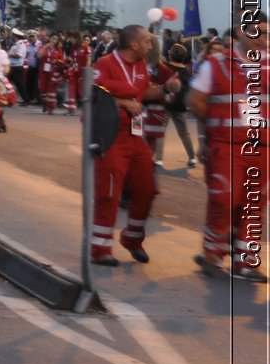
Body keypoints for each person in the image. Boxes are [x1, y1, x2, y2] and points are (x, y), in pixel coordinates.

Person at [187, 15, 269, 282]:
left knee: (254, 205)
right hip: (226, 146)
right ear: (239, 31)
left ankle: (245, 262)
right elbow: (195, 101)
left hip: (262, 147)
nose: (262, 38)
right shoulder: (217, 64)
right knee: (224, 198)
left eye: (266, 33)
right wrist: (210, 133)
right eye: (256, 32)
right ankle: (213, 251)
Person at [88, 25, 171, 266]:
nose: (150, 45)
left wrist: (167, 89)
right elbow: (92, 95)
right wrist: (123, 101)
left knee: (147, 189)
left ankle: (132, 238)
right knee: (109, 193)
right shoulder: (105, 64)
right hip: (111, 135)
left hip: (136, 137)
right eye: (146, 41)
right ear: (134, 44)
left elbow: (143, 94)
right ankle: (100, 249)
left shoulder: (142, 66)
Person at [164, 39, 198, 168]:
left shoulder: (166, 67)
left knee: (160, 130)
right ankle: (191, 157)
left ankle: (157, 157)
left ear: (171, 54)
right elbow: (188, 88)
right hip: (180, 105)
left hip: (166, 102)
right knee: (184, 133)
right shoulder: (186, 72)